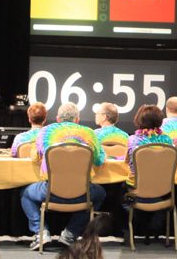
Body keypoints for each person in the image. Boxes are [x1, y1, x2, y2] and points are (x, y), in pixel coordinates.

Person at [21, 102, 106, 250]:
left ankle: (42, 234)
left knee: (25, 194)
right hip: (83, 193)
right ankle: (70, 234)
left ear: (58, 119)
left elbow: (34, 157)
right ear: (78, 120)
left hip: (50, 193)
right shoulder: (89, 133)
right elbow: (99, 160)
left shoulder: (46, 132)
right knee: (101, 193)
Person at [121, 105, 174, 244]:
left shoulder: (133, 140)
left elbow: (127, 161)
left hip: (137, 188)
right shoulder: (168, 140)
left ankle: (128, 231)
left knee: (119, 195)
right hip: (163, 189)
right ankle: (155, 224)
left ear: (138, 120)